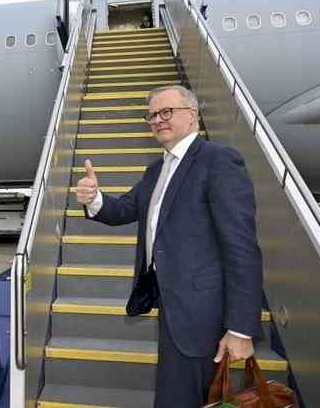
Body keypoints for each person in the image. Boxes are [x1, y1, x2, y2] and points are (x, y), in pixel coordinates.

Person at [76, 85, 263, 407]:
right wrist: (94, 198)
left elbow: (242, 247)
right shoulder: (157, 170)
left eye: (166, 112)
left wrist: (241, 329)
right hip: (173, 307)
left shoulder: (217, 160)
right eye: (152, 116)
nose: (158, 120)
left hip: (204, 316)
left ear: (192, 115)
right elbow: (123, 210)